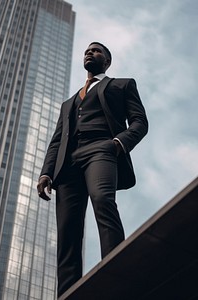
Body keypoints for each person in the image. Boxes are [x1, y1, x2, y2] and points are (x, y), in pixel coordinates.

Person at [37, 42, 148, 298]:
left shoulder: (123, 85)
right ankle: (67, 293)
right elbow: (56, 141)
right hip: (67, 165)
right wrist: (46, 172)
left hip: (102, 149)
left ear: (106, 61)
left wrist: (118, 143)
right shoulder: (68, 103)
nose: (90, 52)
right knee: (67, 230)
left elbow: (140, 122)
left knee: (102, 200)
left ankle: (116, 268)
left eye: (97, 50)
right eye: (88, 50)